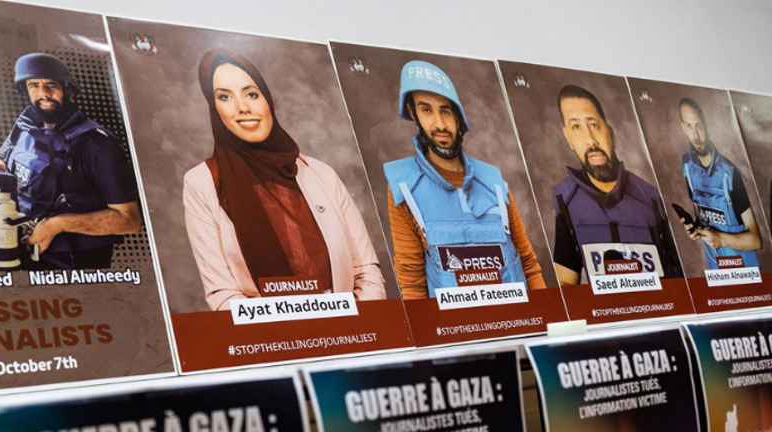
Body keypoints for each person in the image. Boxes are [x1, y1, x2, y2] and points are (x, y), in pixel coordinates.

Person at [183, 50, 385, 311]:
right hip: (273, 338)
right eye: (224, 96)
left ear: (267, 100)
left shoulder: (321, 173)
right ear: (214, 107)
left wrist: (356, 326)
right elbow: (222, 295)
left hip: (351, 326)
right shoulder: (202, 183)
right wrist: (286, 337)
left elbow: (366, 270)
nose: (243, 107)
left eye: (251, 94)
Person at [383, 60, 545, 299]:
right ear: (412, 112)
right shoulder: (404, 187)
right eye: (426, 109)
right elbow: (412, 285)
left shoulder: (494, 182)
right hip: (459, 331)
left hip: (518, 325)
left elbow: (529, 265)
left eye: (446, 111)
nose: (439, 124)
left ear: (458, 117)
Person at [0, 53, 141, 270]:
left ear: (69, 90)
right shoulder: (25, 124)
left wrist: (58, 225)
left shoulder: (97, 146)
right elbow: (4, 156)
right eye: (34, 85)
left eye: (51, 85)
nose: (43, 93)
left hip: (74, 264)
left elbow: (129, 221)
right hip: (19, 251)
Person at [552, 85, 682, 285]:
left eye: (594, 125)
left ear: (609, 133)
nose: (590, 140)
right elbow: (566, 288)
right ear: (568, 138)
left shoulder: (651, 197)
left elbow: (677, 281)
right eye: (576, 127)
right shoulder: (564, 199)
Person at [677, 98, 761, 268]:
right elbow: (706, 217)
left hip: (745, 275)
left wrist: (720, 239)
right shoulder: (688, 169)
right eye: (689, 126)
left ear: (707, 127)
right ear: (683, 128)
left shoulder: (730, 175)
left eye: (699, 126)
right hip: (716, 272)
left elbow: (755, 240)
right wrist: (695, 229)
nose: (695, 134)